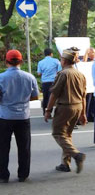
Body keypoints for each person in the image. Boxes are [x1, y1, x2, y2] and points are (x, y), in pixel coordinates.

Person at [44, 48, 87, 173]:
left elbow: (54, 94)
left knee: (58, 133)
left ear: (64, 61)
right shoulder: (80, 74)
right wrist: (83, 113)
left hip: (65, 107)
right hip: (78, 106)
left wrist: (48, 110)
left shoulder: (63, 74)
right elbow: (84, 96)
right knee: (67, 135)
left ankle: (76, 155)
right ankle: (65, 163)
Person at [0, 50, 39, 183]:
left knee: (3, 147)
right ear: (21, 61)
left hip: (5, 117)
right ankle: (23, 174)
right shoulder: (29, 77)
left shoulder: (1, 78)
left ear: (6, 62)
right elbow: (34, 96)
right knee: (24, 147)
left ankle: (3, 175)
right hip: (23, 116)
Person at [37, 48, 61, 115]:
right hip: (54, 81)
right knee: (54, 97)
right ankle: (53, 112)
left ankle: (45, 112)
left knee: (46, 97)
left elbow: (39, 73)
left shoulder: (40, 62)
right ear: (51, 54)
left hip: (45, 82)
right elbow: (59, 70)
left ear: (44, 54)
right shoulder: (56, 61)